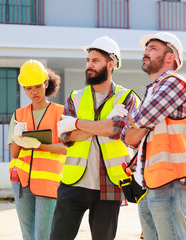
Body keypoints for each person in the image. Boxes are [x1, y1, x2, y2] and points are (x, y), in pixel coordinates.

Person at [49, 36, 139, 240]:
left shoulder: (127, 98)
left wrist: (76, 123)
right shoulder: (75, 97)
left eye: (95, 60)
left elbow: (118, 131)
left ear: (110, 64)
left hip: (109, 183)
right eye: (88, 60)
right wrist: (105, 124)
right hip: (73, 182)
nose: (89, 65)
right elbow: (66, 136)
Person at [121, 32, 186, 240]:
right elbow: (128, 137)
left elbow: (142, 118)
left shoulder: (174, 83)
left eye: (153, 48)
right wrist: (136, 122)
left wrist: (133, 119)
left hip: (170, 180)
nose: (145, 53)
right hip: (150, 182)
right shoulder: (152, 91)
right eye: (146, 49)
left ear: (170, 57)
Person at [8, 60, 67, 240]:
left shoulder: (60, 112)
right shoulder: (18, 115)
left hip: (48, 182)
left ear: (46, 83)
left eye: (37, 86)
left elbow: (67, 149)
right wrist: (17, 138)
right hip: (21, 181)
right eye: (28, 88)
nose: (33, 92)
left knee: (43, 235)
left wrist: (40, 145)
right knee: (28, 235)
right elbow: (14, 153)